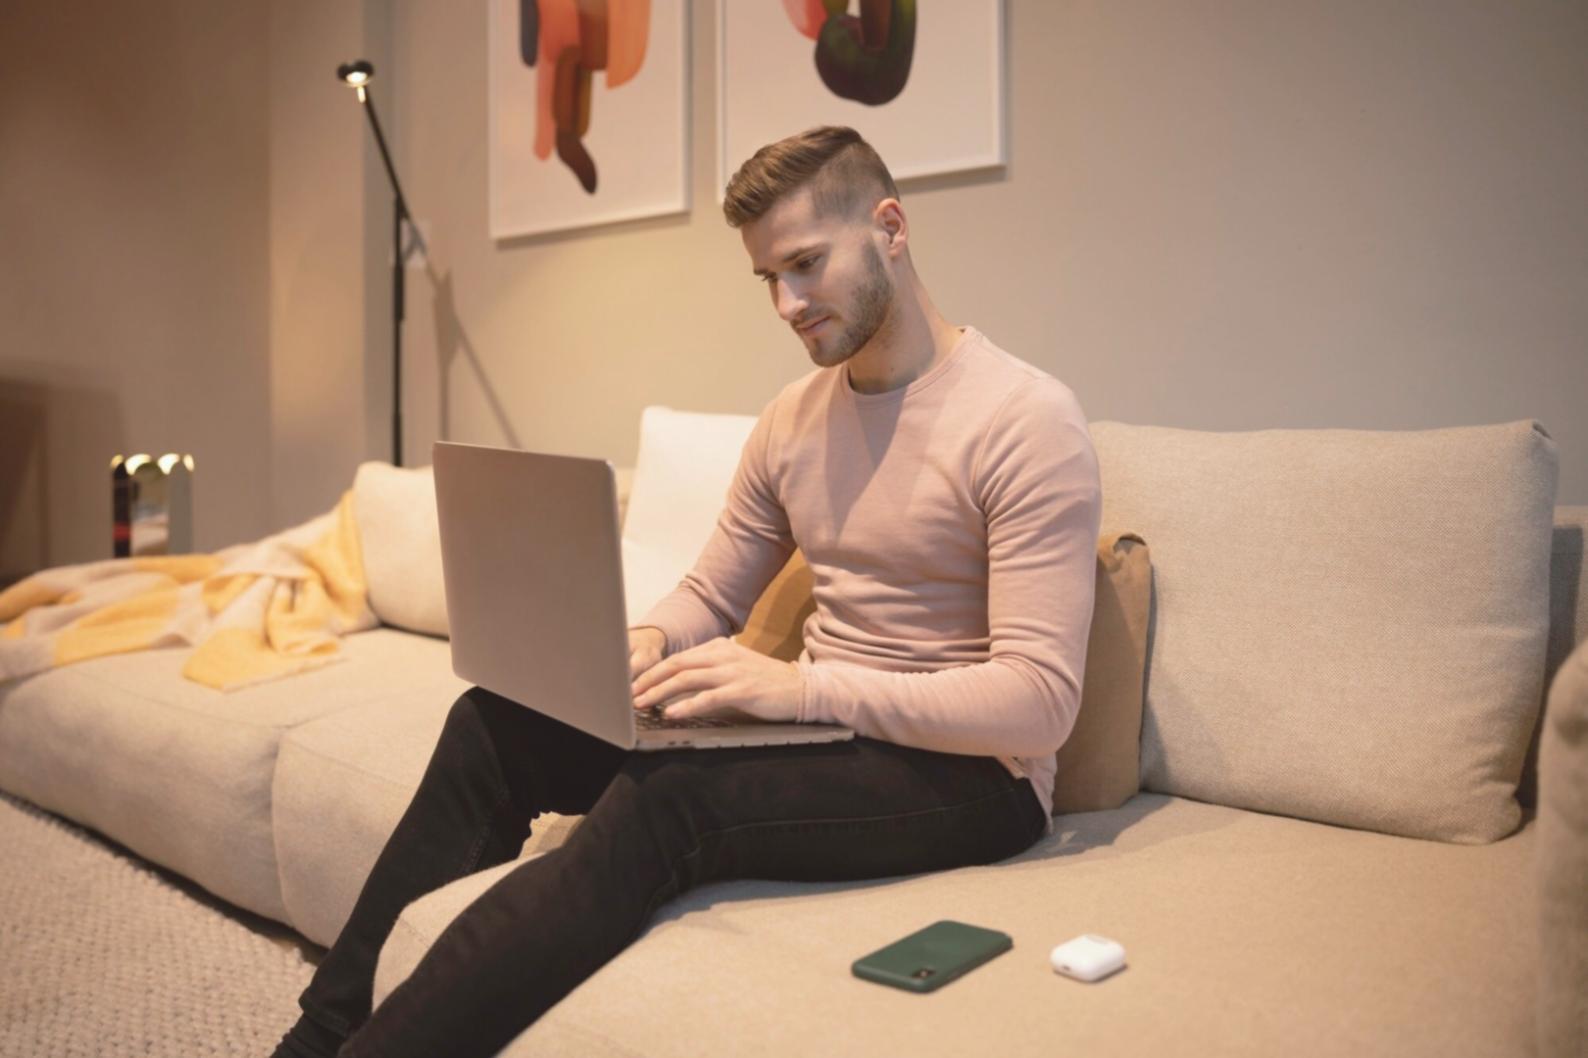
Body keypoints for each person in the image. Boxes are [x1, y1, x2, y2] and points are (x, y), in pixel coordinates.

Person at [271, 125, 1102, 1058]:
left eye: (806, 265)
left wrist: (802, 690)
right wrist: (648, 642)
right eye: (767, 280)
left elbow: (1038, 705)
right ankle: (314, 1040)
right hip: (823, 727)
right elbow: (712, 587)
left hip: (972, 776)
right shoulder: (794, 419)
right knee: (492, 727)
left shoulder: (1025, 419)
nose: (787, 304)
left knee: (667, 799)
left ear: (891, 228)